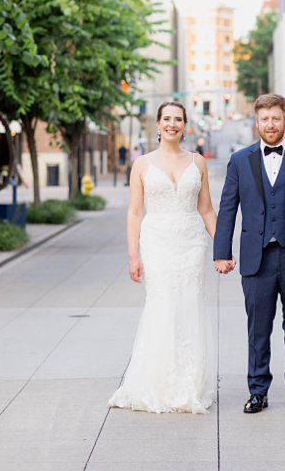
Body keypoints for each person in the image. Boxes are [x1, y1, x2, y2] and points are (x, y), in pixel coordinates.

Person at [213, 93, 285, 415]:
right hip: (256, 258)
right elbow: (227, 209)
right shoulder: (240, 160)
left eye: (276, 118)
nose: (270, 124)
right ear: (256, 122)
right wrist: (221, 252)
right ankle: (258, 391)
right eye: (264, 119)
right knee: (258, 329)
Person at [109, 101, 217, 413]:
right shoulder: (142, 164)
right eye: (167, 119)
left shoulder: (198, 162)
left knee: (189, 306)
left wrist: (222, 247)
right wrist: (133, 255)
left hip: (191, 242)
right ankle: (156, 383)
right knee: (162, 305)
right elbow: (133, 212)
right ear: (157, 124)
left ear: (185, 125)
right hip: (156, 243)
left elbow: (206, 209)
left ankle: (188, 384)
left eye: (178, 119)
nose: (172, 124)